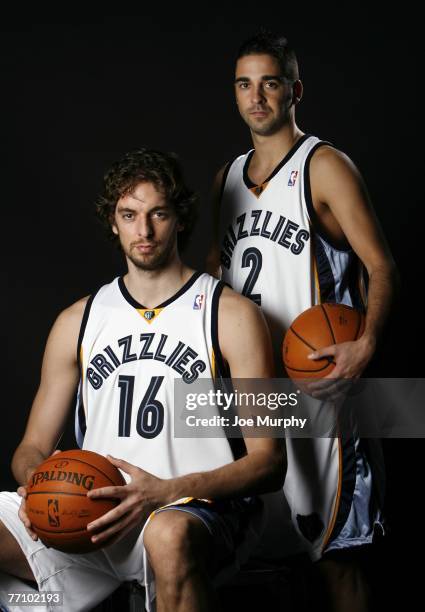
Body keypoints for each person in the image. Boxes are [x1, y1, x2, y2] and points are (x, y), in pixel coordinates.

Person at [0, 148, 286, 612]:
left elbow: (270, 463)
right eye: (129, 215)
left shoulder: (231, 315)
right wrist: (40, 485)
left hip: (193, 508)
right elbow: (30, 448)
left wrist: (167, 491)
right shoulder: (78, 320)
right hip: (91, 510)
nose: (144, 230)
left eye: (158, 214)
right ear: (113, 222)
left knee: (169, 535)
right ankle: (55, 600)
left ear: (179, 218)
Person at [207, 30, 398, 612]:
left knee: (336, 556)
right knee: (262, 557)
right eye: (245, 84)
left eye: (270, 82)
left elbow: (381, 266)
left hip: (320, 388)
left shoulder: (324, 166)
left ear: (295, 90)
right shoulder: (226, 180)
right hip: (254, 397)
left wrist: (364, 348)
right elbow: (212, 286)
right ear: (235, 94)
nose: (257, 96)